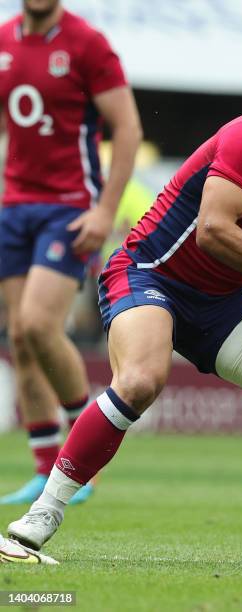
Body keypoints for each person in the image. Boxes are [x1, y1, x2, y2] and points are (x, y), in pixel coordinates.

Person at [6, 34, 242, 568]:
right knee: (140, 380)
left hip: (222, 299)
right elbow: (211, 231)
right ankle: (41, 516)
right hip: (149, 273)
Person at [0, 0, 142, 505]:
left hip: (69, 208)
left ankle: (86, 454)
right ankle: (45, 468)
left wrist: (105, 211)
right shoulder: (4, 39)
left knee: (39, 325)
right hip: (14, 205)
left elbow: (127, 127)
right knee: (19, 336)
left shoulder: (87, 43)